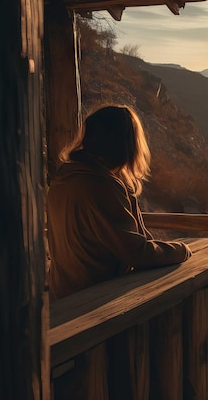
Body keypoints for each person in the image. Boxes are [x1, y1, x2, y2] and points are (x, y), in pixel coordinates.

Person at [47, 104, 191, 300]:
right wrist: (181, 250)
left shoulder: (64, 179)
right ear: (126, 145)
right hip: (93, 301)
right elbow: (136, 252)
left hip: (64, 295)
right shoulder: (100, 185)